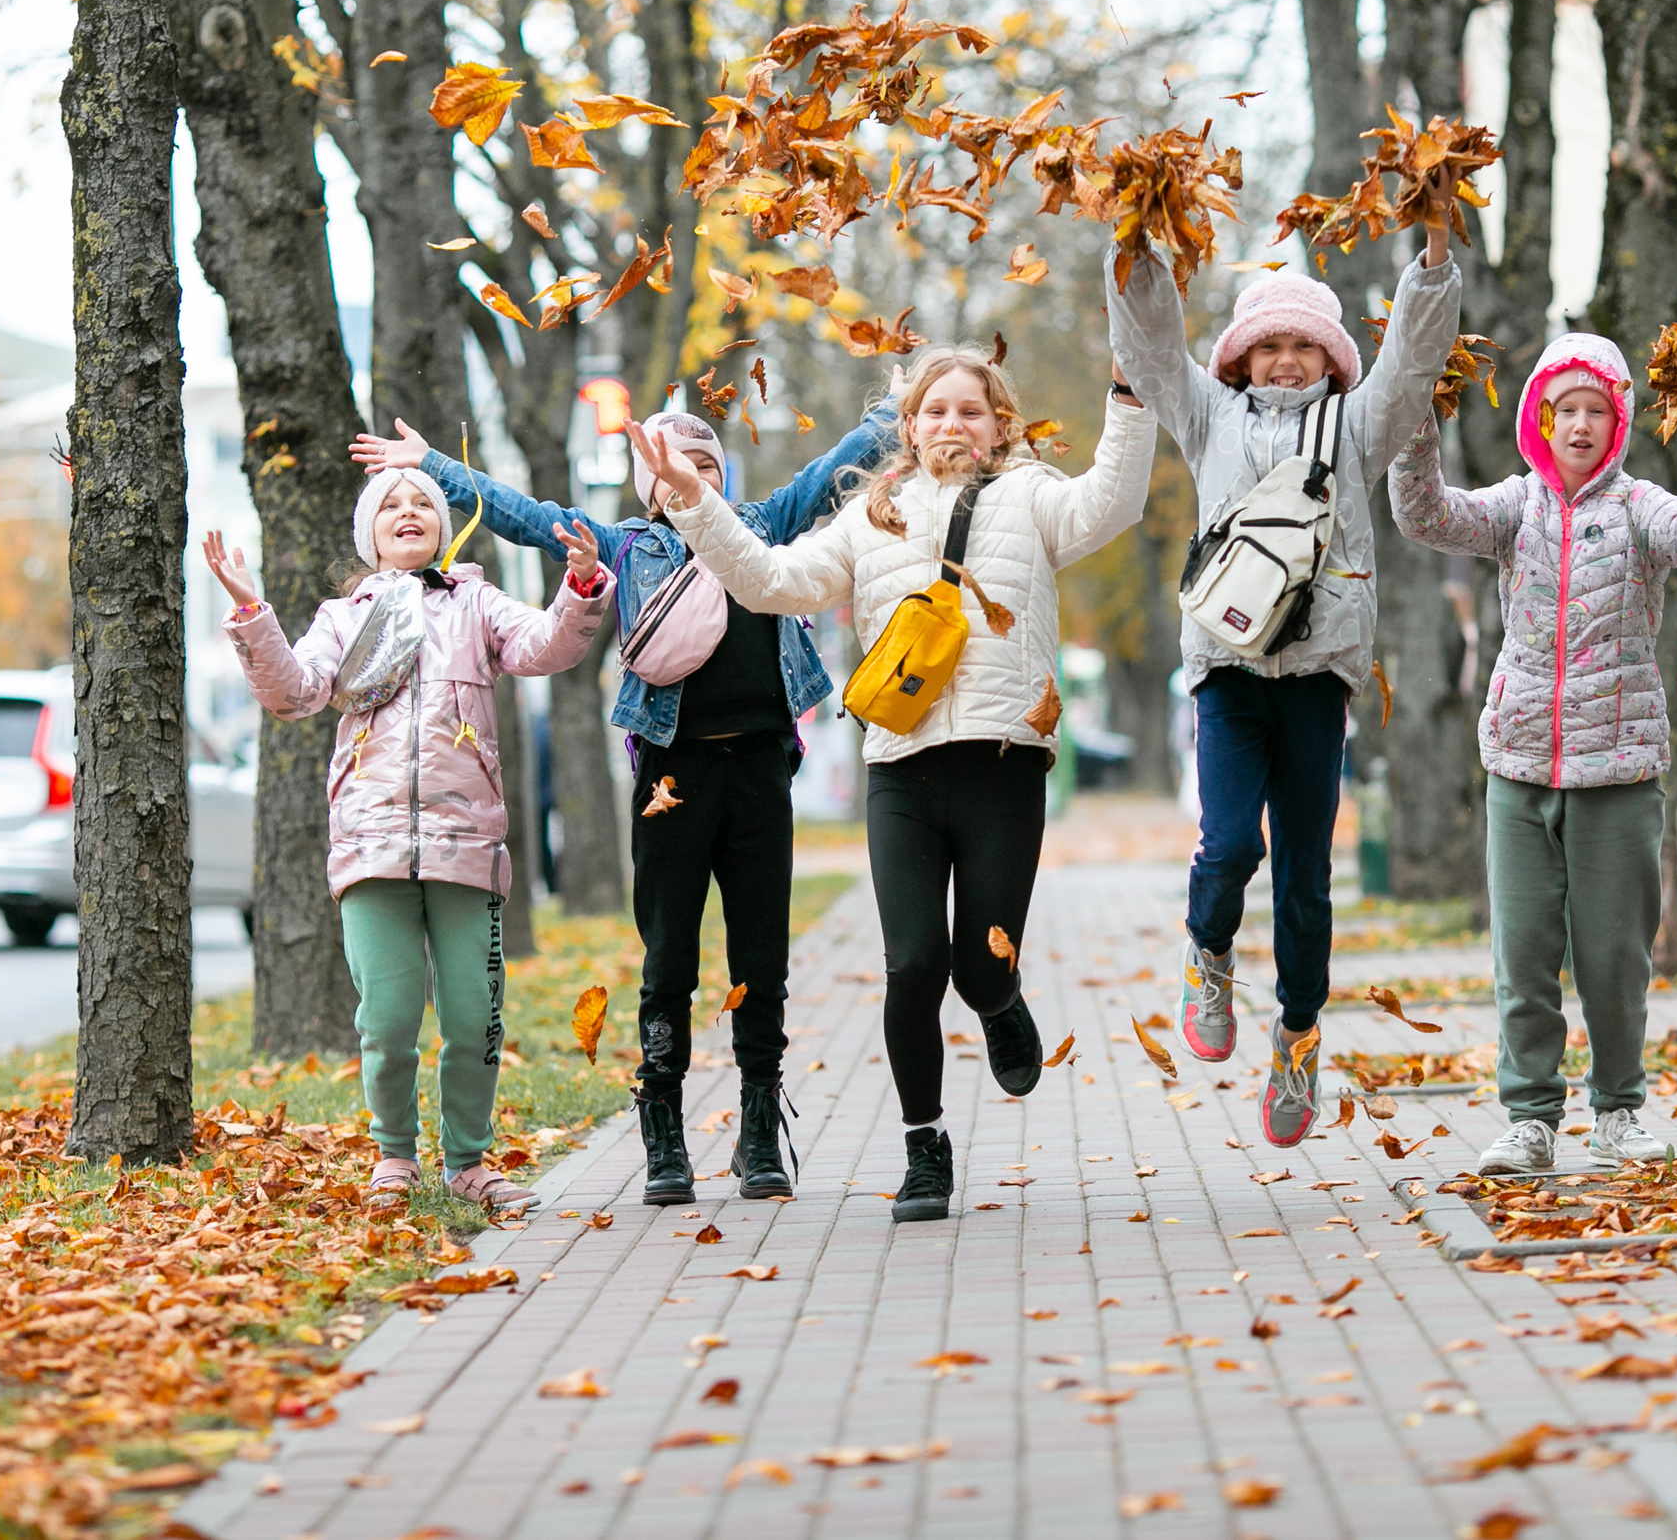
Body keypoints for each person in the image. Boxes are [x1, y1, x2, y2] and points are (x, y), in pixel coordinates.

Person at [631, 346, 1154, 1222]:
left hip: (1002, 765)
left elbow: (1115, 500)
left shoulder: (1033, 499)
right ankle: (925, 1146)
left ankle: (1000, 1000)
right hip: (900, 771)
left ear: (1000, 427)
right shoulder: (866, 515)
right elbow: (768, 580)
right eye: (935, 410)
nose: (953, 423)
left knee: (980, 966)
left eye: (971, 410)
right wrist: (693, 499)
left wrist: (1129, 397)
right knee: (912, 962)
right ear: (907, 427)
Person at [353, 401, 898, 1205]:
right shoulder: (627, 545)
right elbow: (525, 516)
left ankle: (756, 1125)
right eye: (676, 464)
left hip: (758, 772)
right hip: (670, 783)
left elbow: (829, 473)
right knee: (668, 955)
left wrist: (900, 407)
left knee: (762, 958)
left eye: (707, 463)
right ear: (650, 484)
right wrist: (436, 466)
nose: (695, 474)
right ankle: (664, 1129)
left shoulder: (762, 523)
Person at [1104, 215, 1461, 1147]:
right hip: (1226, 666)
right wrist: (1138, 254)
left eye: (1306, 345)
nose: (1288, 360)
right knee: (1229, 847)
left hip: (1315, 676)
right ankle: (1208, 952)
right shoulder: (1206, 414)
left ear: (1333, 357)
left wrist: (1430, 266)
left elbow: (1414, 368)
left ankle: (1299, 1031)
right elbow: (1148, 350)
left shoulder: (1359, 423)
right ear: (1241, 358)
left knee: (1306, 876)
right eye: (1271, 344)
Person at [203, 468, 614, 1209]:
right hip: (372, 844)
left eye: (423, 500)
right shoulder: (343, 616)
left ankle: (467, 1160)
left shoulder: (477, 602)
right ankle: (394, 1156)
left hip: (467, 844)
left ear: (443, 525)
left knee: (472, 1015)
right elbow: (296, 694)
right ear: (371, 533)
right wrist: (252, 613)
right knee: (388, 1019)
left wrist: (580, 587)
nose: (408, 511)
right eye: (390, 504)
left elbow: (545, 646)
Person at [1388, 334, 1677, 1175]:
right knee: (1522, 955)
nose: (1580, 424)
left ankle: (1619, 1110)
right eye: (1566, 409)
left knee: (1616, 959)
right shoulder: (1516, 507)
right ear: (1540, 419)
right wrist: (1416, 426)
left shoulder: (1641, 510)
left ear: (1619, 421)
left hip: (1616, 772)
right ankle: (1530, 1120)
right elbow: (1424, 515)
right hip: (1518, 768)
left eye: (1597, 410)